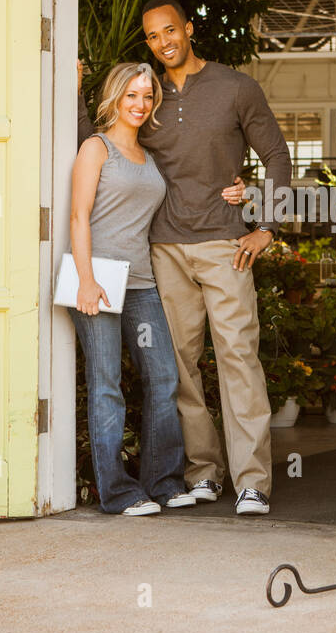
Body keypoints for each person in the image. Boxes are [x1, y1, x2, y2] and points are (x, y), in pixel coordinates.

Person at [138, 0, 293, 516]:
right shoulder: (147, 96)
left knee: (237, 358)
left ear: (189, 28)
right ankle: (203, 472)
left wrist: (266, 225)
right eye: (154, 37)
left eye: (170, 30)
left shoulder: (236, 88)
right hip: (166, 247)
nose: (164, 42)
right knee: (181, 364)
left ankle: (252, 480)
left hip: (226, 244)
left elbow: (276, 154)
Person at [69, 62, 244, 515]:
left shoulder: (149, 155)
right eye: (132, 95)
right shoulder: (96, 147)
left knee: (164, 378)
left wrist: (239, 190)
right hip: (100, 280)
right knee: (107, 385)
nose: (141, 104)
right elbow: (78, 216)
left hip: (141, 281)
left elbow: (198, 169)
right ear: (115, 97)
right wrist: (86, 280)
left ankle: (163, 483)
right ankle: (119, 493)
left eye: (147, 96)